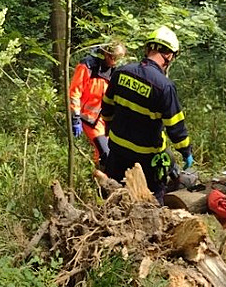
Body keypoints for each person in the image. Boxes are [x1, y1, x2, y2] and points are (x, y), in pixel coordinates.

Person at [101, 26, 193, 204]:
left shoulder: (121, 72)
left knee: (114, 197)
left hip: (117, 151)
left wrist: (110, 128)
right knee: (151, 202)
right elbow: (175, 126)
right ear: (168, 55)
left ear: (149, 48)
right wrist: (186, 151)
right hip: (146, 159)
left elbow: (107, 108)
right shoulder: (164, 86)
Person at [69, 41, 127, 167]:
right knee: (106, 153)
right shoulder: (88, 66)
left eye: (118, 59)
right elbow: (75, 92)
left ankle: (99, 180)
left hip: (106, 118)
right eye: (114, 58)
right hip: (89, 118)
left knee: (106, 153)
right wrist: (75, 118)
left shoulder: (115, 71)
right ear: (106, 54)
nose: (115, 61)